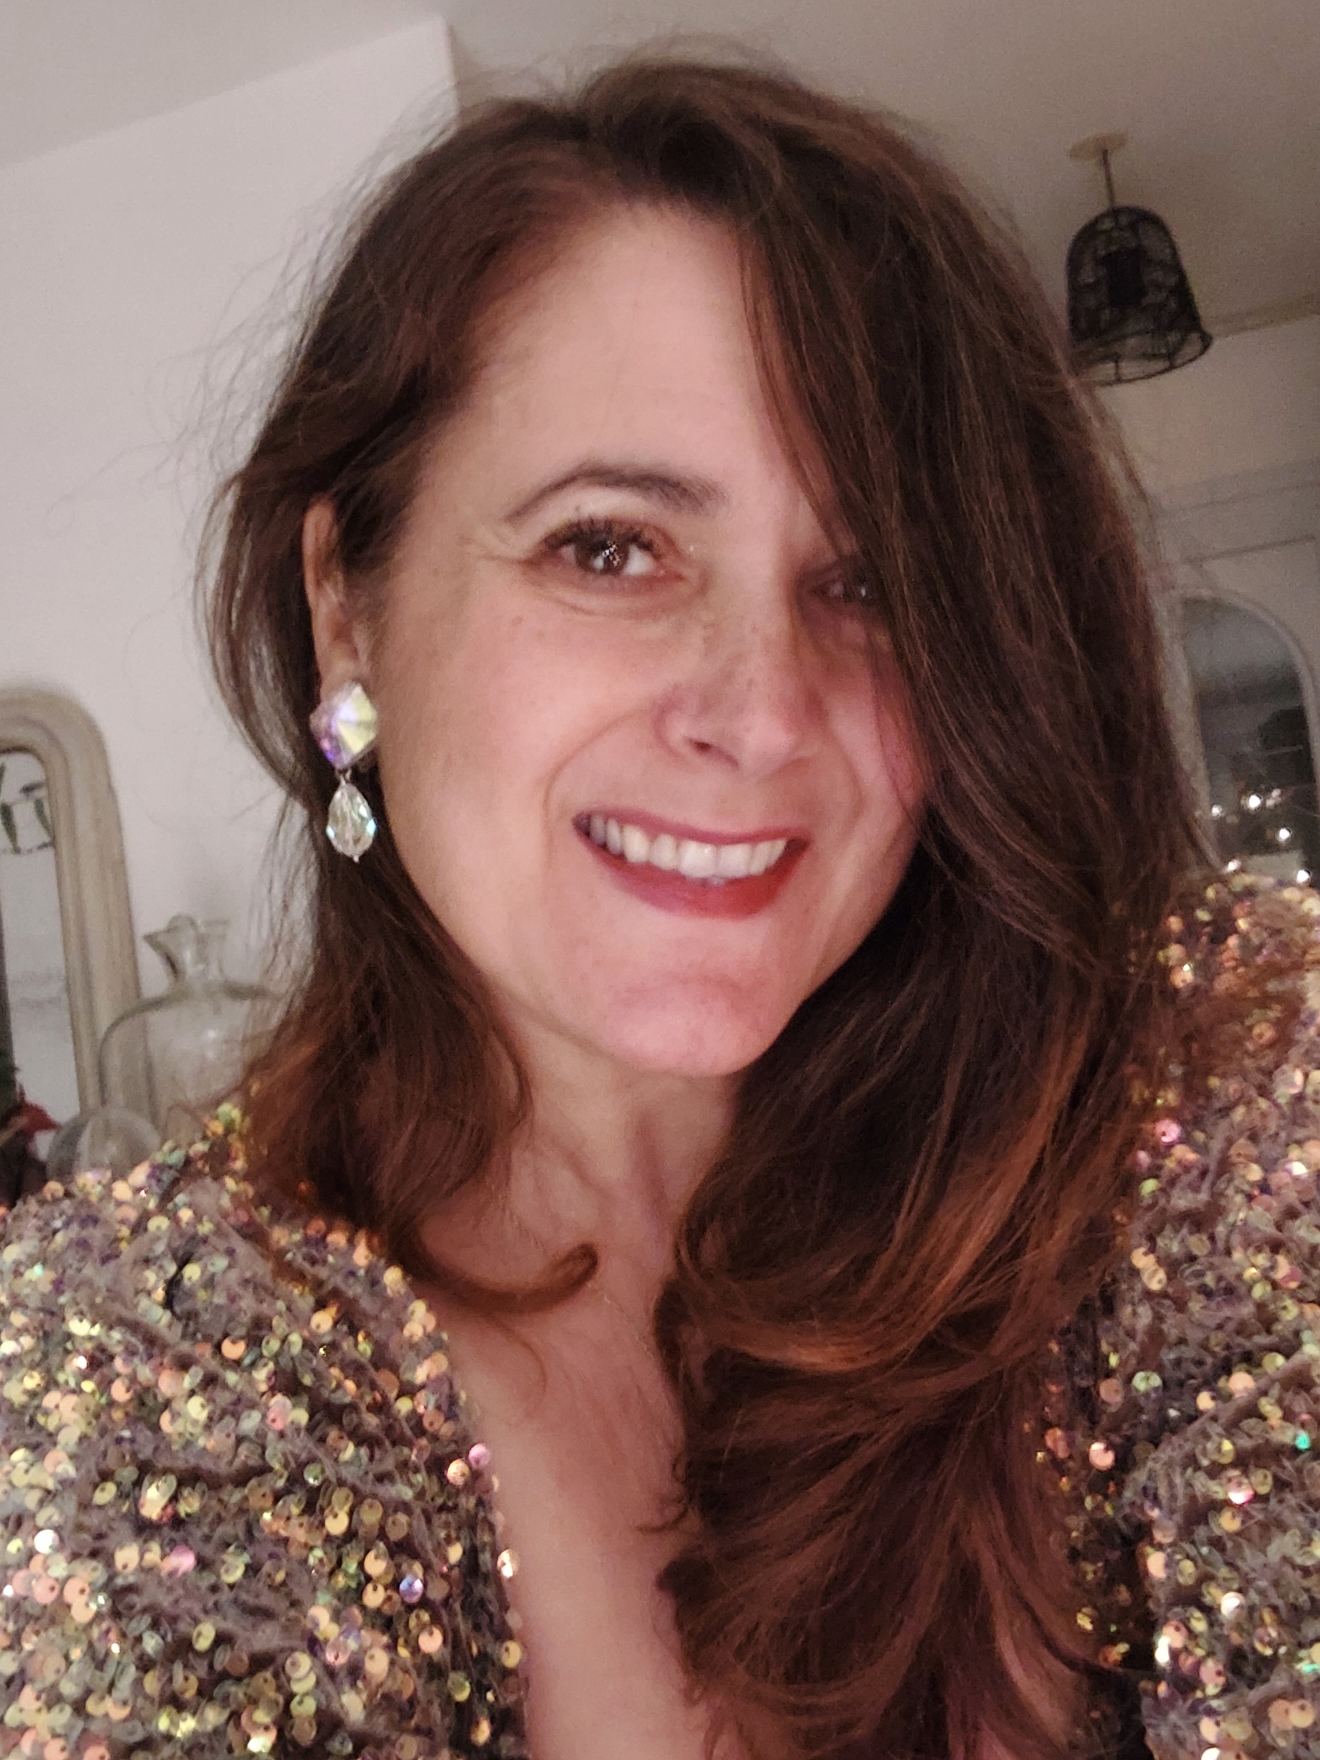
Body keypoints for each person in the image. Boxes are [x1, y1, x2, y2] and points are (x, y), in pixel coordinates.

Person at [1, 55, 1317, 1760]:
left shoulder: (1203, 1094)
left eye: (873, 580)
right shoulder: (149, 1366)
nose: (761, 713)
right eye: (609, 546)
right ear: (346, 609)